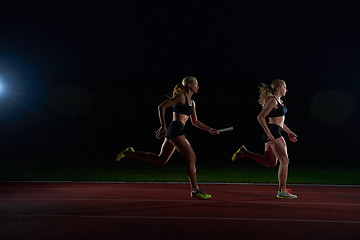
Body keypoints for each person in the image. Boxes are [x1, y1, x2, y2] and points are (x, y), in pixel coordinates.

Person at [116, 76, 219, 200]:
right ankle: (195, 190)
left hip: (177, 131)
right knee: (191, 157)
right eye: (196, 83)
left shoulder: (193, 103)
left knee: (161, 160)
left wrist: (210, 129)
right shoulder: (181, 97)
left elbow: (195, 122)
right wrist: (163, 125)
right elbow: (162, 106)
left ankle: (131, 153)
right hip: (175, 130)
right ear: (189, 85)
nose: (198, 86)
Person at [231, 79, 298, 199]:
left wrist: (290, 132)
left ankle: (245, 152)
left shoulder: (279, 101)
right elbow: (260, 117)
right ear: (278, 88)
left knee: (271, 163)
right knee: (285, 161)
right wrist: (270, 134)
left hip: (274, 132)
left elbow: (280, 122)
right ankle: (282, 190)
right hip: (273, 133)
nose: (286, 89)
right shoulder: (273, 100)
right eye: (284, 87)